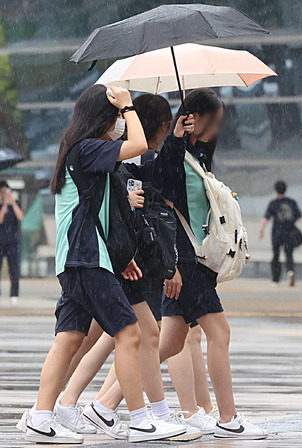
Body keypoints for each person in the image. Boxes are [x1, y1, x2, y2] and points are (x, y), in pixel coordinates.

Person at [22, 85, 184, 444]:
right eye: (116, 119)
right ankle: (140, 420)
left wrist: (121, 256)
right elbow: (140, 145)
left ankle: (41, 416)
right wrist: (128, 106)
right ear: (103, 118)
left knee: (68, 339)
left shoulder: (79, 150)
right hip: (86, 260)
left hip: (80, 260)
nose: (121, 125)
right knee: (129, 333)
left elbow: (104, 211)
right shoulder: (87, 148)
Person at [154, 88, 267, 439]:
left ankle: (105, 404)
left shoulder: (194, 155)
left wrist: (189, 140)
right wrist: (177, 135)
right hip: (186, 262)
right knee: (220, 333)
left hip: (192, 263)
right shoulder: (174, 155)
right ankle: (229, 420)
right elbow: (162, 184)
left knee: (168, 344)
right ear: (194, 118)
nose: (217, 129)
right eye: (214, 121)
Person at [0, 181, 23, 306]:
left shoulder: (16, 204)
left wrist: (12, 202)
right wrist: (4, 206)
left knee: (14, 269)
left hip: (12, 241)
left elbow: (20, 216)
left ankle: (14, 294)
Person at [259, 180, 302, 286]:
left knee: (276, 256)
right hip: (289, 233)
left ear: (276, 190)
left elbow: (266, 218)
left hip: (277, 233)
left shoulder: (273, 203)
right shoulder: (292, 202)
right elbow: (297, 217)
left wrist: (262, 229)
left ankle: (276, 279)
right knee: (289, 254)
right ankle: (290, 272)